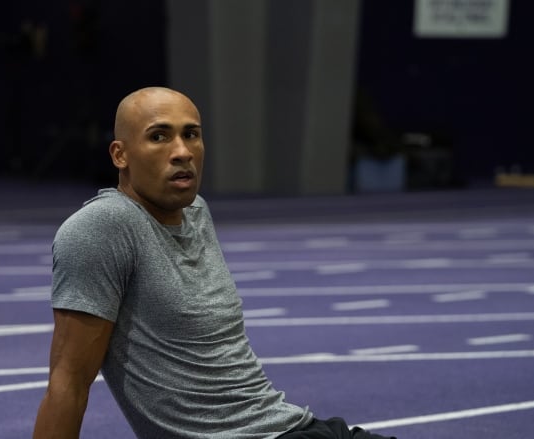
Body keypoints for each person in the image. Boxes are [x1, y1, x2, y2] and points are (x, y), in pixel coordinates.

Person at [32, 87, 396, 439]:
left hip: (290, 426)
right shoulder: (102, 227)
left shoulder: (196, 211)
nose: (182, 152)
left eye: (191, 134)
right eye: (159, 137)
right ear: (119, 155)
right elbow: (69, 382)